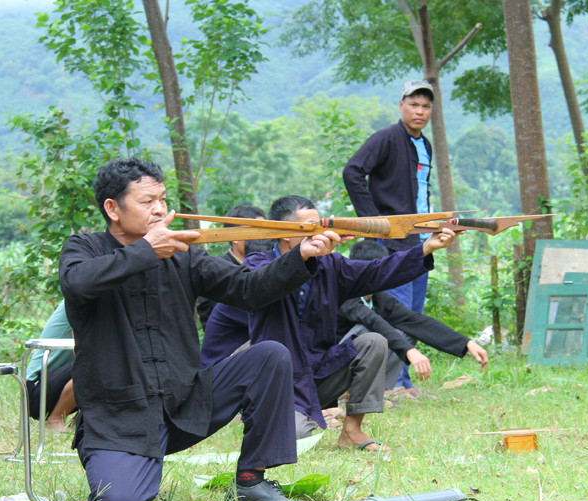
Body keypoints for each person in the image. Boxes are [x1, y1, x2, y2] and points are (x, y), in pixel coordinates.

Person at [59, 158, 341, 501]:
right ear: (113, 208)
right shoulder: (83, 248)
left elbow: (247, 288)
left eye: (162, 199)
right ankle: (122, 470)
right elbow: (77, 283)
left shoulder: (184, 256)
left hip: (185, 405)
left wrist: (302, 255)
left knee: (269, 355)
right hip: (119, 418)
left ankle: (252, 484)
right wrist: (146, 250)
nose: (160, 209)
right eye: (147, 202)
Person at [203, 195, 455, 452]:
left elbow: (376, 271)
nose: (319, 233)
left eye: (319, 225)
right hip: (275, 382)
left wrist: (426, 248)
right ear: (284, 233)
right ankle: (272, 417)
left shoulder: (330, 265)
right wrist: (302, 256)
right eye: (310, 227)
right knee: (297, 437)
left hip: (318, 371)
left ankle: (352, 431)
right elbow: (265, 283)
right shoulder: (259, 266)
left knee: (373, 342)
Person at [342, 79, 436, 392]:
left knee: (413, 314)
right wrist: (374, 221)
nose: (419, 112)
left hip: (420, 242)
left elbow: (421, 192)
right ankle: (388, 384)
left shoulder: (425, 144)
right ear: (401, 106)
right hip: (390, 244)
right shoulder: (387, 138)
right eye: (413, 105)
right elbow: (353, 171)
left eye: (425, 106)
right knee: (395, 311)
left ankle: (404, 381)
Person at [337, 240, 489, 393]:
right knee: (368, 332)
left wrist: (467, 343)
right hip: (332, 367)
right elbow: (374, 322)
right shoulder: (346, 297)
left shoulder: (379, 298)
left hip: (354, 361)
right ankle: (347, 392)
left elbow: (415, 321)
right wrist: (409, 351)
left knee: (406, 331)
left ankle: (375, 392)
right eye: (382, 269)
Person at [195, 204, 265, 329]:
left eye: (266, 230)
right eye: (256, 231)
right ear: (235, 237)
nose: (264, 236)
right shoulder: (217, 270)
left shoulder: (267, 264)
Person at [25, 299, 76, 432]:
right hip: (38, 389)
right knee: (99, 365)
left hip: (58, 382)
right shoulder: (82, 295)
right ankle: (55, 419)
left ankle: (81, 422)